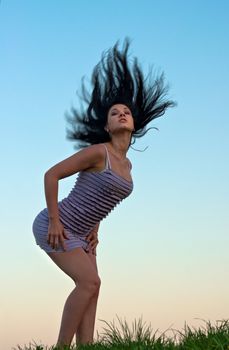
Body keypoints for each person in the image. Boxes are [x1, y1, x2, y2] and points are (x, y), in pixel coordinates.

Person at [32, 37, 176, 347]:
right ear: (108, 127)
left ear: (134, 125)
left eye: (126, 112)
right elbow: (51, 174)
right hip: (55, 225)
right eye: (114, 113)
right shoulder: (99, 152)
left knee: (94, 288)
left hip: (84, 233)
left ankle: (87, 346)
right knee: (89, 281)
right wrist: (56, 220)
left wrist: (96, 229)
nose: (122, 114)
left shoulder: (128, 166)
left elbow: (102, 199)